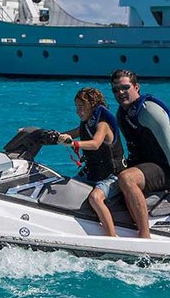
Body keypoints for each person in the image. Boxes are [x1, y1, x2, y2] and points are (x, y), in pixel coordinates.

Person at [110, 69, 170, 238]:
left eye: (125, 88)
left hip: (163, 170)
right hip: (141, 166)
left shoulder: (150, 111)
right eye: (116, 90)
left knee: (127, 178)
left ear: (136, 87)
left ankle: (144, 235)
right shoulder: (123, 113)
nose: (120, 93)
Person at [58, 87, 125, 237]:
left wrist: (74, 144)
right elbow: (69, 134)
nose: (78, 111)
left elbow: (95, 143)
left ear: (93, 106)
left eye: (82, 107)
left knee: (95, 198)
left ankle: (112, 237)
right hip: (93, 173)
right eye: (77, 107)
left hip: (112, 176)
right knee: (65, 187)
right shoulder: (86, 124)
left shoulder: (103, 124)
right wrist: (48, 136)